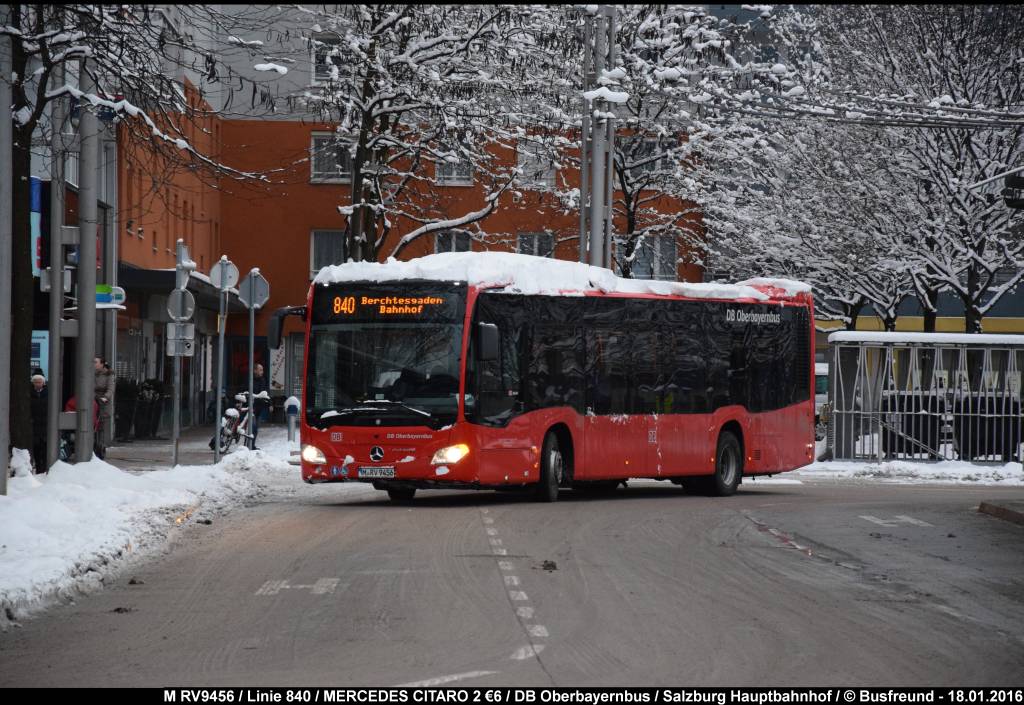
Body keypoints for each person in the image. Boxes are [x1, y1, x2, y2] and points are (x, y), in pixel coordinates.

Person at [94, 357, 115, 459]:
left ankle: (100, 446)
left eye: (96, 362)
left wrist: (105, 397)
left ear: (102, 364)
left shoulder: (108, 374)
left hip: (103, 402)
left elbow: (111, 388)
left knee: (101, 424)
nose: (94, 364)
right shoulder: (91, 373)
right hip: (93, 400)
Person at [30, 374, 48, 473]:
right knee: (36, 448)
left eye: (39, 382)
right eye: (36, 382)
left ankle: (44, 467)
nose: (38, 384)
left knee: (45, 447)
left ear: (43, 383)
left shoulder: (48, 393)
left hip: (45, 423)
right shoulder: (30, 393)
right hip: (35, 424)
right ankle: (38, 467)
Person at [251, 362, 270, 449]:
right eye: (260, 370)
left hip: (258, 407)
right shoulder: (249, 378)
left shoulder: (262, 380)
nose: (262, 372)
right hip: (249, 405)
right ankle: (216, 441)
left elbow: (265, 391)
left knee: (255, 428)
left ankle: (252, 445)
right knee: (253, 427)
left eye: (262, 370)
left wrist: (270, 403)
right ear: (255, 370)